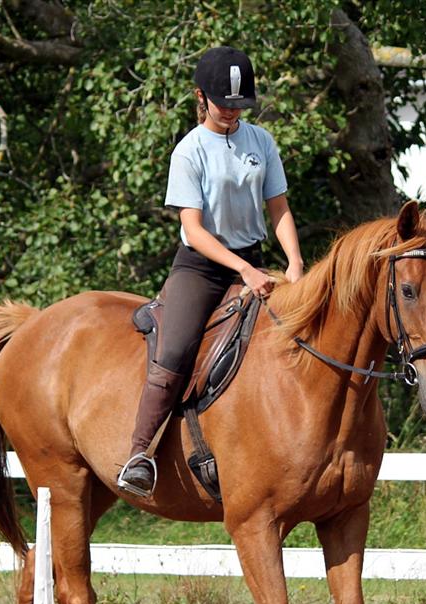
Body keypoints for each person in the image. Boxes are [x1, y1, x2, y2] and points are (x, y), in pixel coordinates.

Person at [116, 45, 305, 498]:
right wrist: (244, 270)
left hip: (255, 262)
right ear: (201, 97)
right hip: (201, 269)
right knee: (177, 349)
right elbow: (194, 231)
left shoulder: (261, 141)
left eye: (241, 105)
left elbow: (278, 208)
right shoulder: (188, 151)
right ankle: (139, 453)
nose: (234, 112)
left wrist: (295, 263)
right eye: (225, 103)